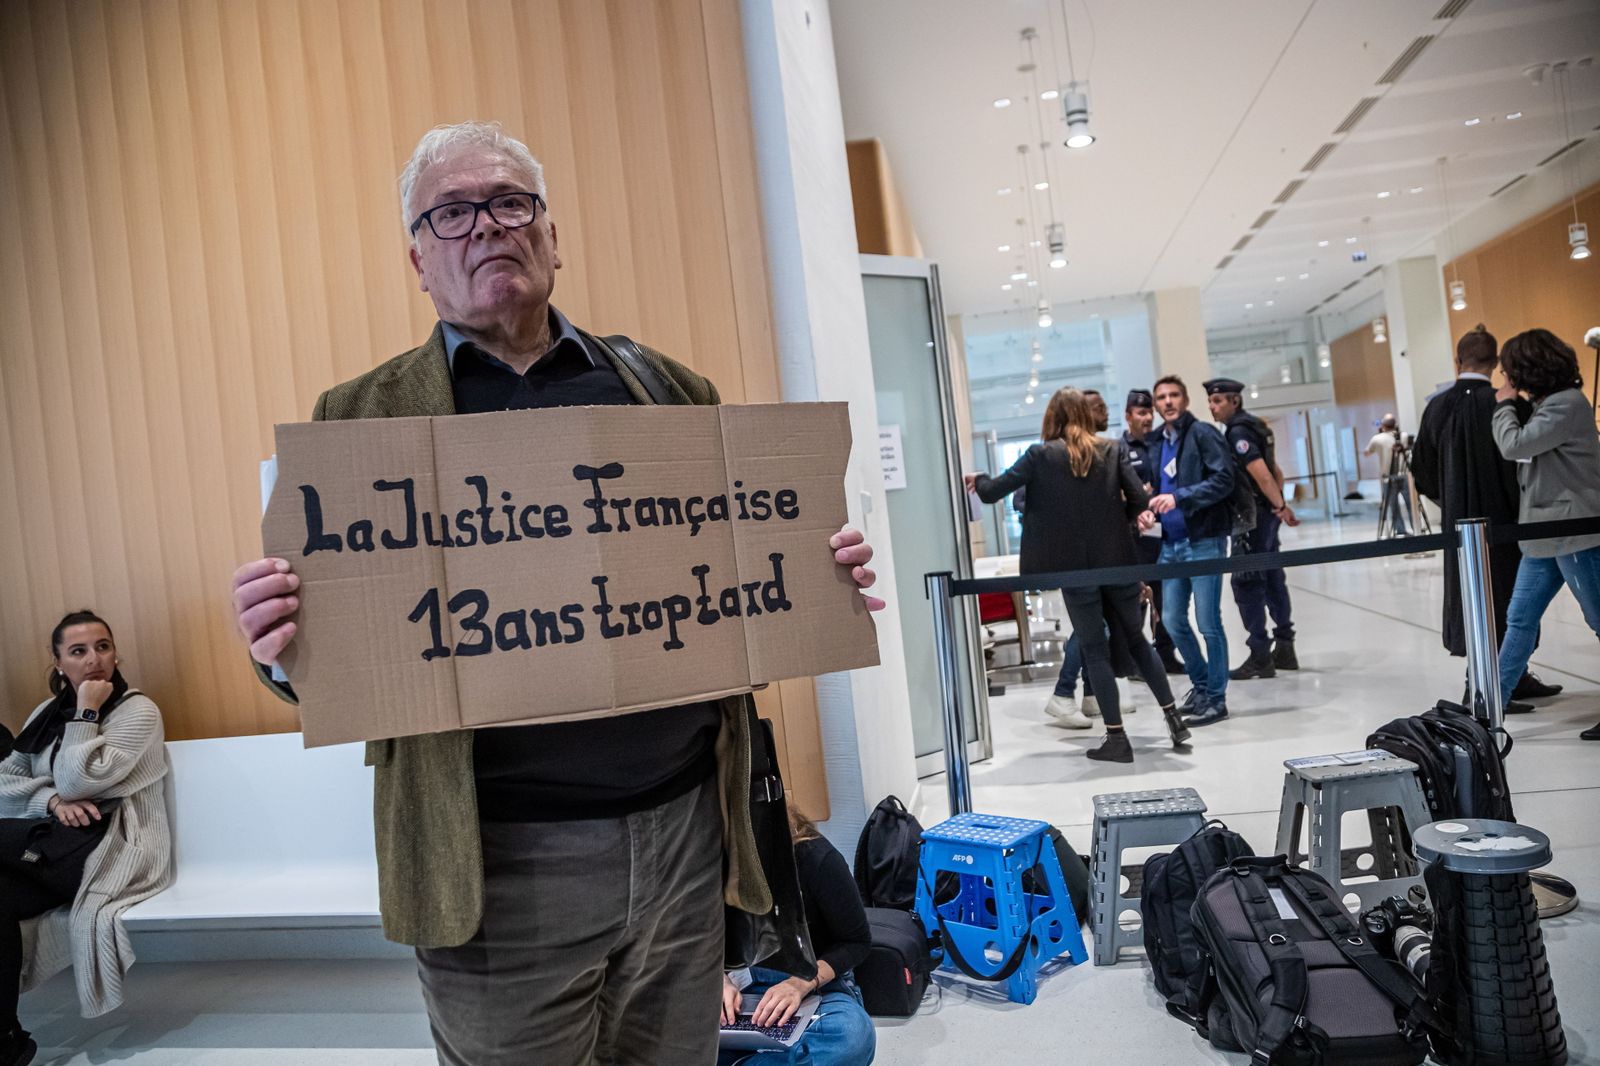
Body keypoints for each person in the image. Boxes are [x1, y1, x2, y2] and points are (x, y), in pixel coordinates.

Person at [227, 121, 885, 1066]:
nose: (487, 226)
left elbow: (745, 581)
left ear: (551, 234)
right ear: (418, 257)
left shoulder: (668, 390)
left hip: (686, 840)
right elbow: (329, 663)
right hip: (495, 870)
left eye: (510, 202)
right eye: (452, 213)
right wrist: (277, 647)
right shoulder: (358, 422)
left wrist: (819, 576)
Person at [967, 387, 1191, 761]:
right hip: (1118, 561)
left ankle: (1117, 739)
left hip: (1074, 570)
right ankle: (1174, 719)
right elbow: (1138, 501)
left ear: (1052, 417)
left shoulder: (1040, 455)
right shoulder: (1110, 449)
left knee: (1094, 650)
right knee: (1138, 642)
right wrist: (1109, 523)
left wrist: (978, 478)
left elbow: (992, 493)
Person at [1, 611, 172, 1066]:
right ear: (58, 663)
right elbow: (3, 781)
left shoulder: (138, 710)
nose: (94, 659)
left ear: (116, 653)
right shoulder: (43, 714)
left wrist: (86, 712)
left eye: (103, 647)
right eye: (78, 651)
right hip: (53, 839)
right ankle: (8, 1041)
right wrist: (51, 803)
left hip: (112, 845)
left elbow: (81, 782)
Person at [1411, 325, 1556, 711]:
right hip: (1507, 521)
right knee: (1511, 600)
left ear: (1458, 361)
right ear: (1496, 364)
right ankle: (1489, 685)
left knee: (1475, 599)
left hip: (1459, 528)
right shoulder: (1507, 404)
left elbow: (1421, 469)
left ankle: (1512, 677)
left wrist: (1451, 501)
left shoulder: (1436, 407)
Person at [1489, 329, 1600, 740]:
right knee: (1519, 620)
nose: (1506, 377)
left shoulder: (1566, 405)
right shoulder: (1551, 404)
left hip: (1573, 534)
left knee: (1599, 619)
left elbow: (1514, 444)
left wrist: (1503, 405)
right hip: (1544, 534)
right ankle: (1488, 709)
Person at [718, 806, 875, 1066]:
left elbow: (856, 942)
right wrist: (719, 980)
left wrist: (799, 984)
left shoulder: (816, 858)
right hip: (736, 988)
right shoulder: (706, 863)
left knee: (852, 1037)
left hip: (813, 984)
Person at [1142, 375, 1237, 727]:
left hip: (1204, 540)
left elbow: (1224, 479)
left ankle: (1217, 698)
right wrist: (1149, 510)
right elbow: (1159, 486)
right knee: (1171, 620)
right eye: (1161, 397)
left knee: (1208, 622)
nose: (1167, 402)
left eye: (1174, 395)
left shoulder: (1202, 434)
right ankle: (1201, 687)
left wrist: (1180, 497)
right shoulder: (1158, 442)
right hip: (1170, 542)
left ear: (1184, 400)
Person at [1204, 378, 1300, 681]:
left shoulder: (1238, 431)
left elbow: (1261, 474)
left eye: (1218, 401)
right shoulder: (1257, 425)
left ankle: (1260, 655)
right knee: (1273, 577)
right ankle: (1285, 647)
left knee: (1247, 583)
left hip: (1251, 516)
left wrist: (1279, 506)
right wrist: (1279, 505)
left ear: (1235, 401)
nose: (1212, 406)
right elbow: (1276, 471)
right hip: (1266, 513)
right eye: (1211, 401)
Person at [1123, 389, 1184, 675]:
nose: (1147, 418)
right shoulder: (1120, 449)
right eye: (1140, 413)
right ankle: (1136, 658)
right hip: (1136, 539)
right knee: (1137, 599)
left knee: (1165, 598)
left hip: (1165, 534)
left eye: (1149, 412)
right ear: (1128, 416)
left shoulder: (1162, 445)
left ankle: (1166, 654)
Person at [1364, 414, 1414, 536]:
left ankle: (1400, 530)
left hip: (1388, 477)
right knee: (1411, 505)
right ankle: (1416, 527)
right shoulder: (1404, 436)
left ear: (1383, 425)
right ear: (1395, 424)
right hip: (1405, 474)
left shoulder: (1377, 438)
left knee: (1394, 506)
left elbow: (1366, 453)